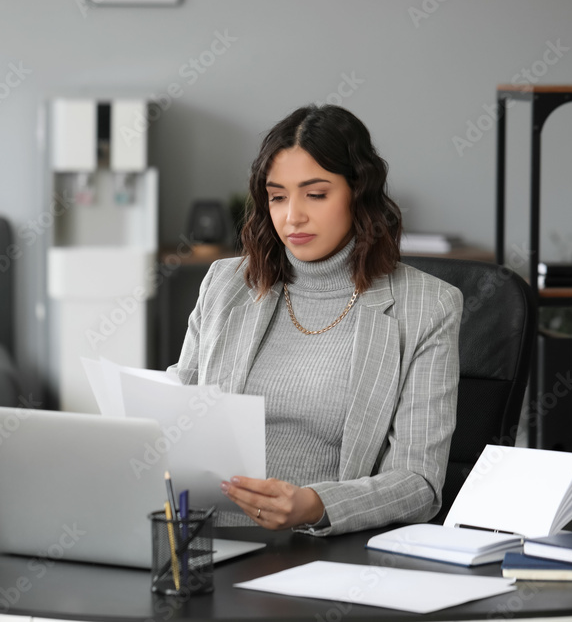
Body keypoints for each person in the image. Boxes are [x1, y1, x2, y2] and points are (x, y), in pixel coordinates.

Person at [167, 105, 462, 536]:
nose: (292, 217)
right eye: (277, 196)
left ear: (358, 193)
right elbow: (175, 407)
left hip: (323, 547)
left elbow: (419, 483)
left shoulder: (429, 306)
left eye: (316, 194)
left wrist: (316, 505)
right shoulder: (225, 283)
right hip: (205, 536)